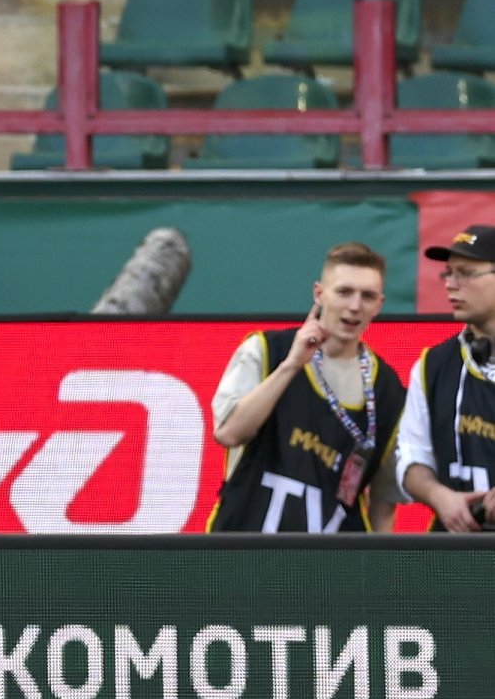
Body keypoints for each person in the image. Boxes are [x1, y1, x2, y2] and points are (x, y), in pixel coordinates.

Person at [208, 242, 406, 533]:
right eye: (344, 292)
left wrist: (381, 561)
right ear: (319, 293)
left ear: (379, 304)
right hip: (243, 546)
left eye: (367, 296)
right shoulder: (267, 349)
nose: (355, 306)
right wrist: (291, 365)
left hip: (333, 559)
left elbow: (384, 502)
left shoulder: (389, 391)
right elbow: (229, 433)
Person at [398, 224, 495, 531]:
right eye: (448, 273)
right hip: (452, 550)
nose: (451, 284)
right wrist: (439, 496)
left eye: (465, 273)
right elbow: (411, 456)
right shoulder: (431, 365)